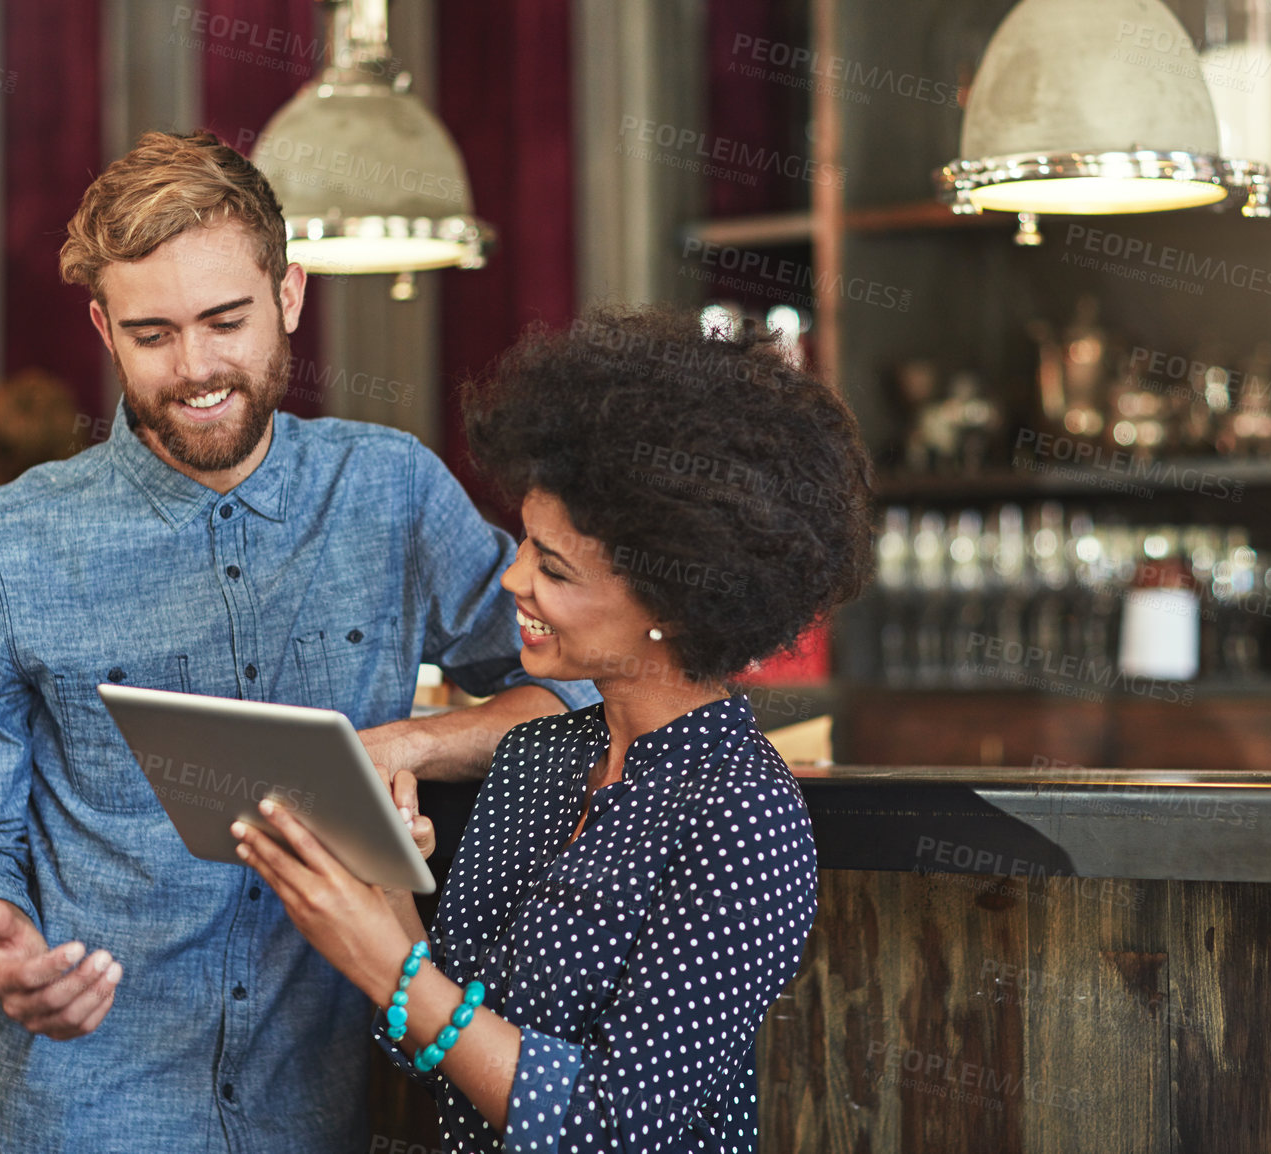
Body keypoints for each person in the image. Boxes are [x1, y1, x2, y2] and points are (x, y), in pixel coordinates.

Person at [0, 130, 595, 1154]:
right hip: (70, 1117)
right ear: (102, 327)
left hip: (307, 1116)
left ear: (289, 295)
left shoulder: (393, 493)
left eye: (225, 320)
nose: (195, 370)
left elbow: (582, 693)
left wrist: (408, 743)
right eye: (152, 334)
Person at [233, 305, 873, 1151]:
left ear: (674, 604)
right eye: (526, 545)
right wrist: (380, 878)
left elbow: (616, 1128)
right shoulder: (539, 756)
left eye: (554, 567)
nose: (513, 580)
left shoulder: (742, 813)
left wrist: (379, 960)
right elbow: (435, 1038)